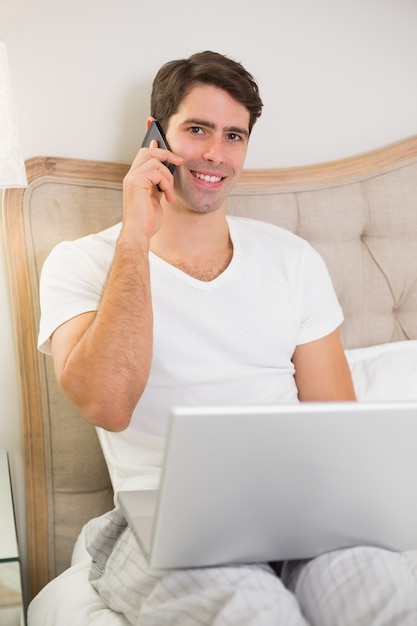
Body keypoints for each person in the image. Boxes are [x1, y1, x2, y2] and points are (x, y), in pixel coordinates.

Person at [29, 51, 417, 625]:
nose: (215, 153)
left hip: (297, 508)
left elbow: (336, 423)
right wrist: (136, 237)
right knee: (254, 612)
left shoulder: (292, 260)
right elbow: (106, 404)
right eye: (197, 129)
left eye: (233, 135)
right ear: (155, 137)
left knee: (386, 593)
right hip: (162, 524)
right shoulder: (82, 264)